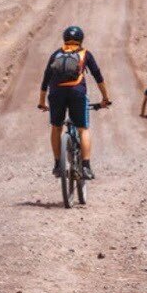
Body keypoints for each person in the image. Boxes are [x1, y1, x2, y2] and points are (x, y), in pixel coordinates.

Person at [37, 25, 111, 179]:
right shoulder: (85, 54)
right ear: (81, 39)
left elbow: (46, 78)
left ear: (64, 38)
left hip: (56, 93)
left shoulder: (56, 54)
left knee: (56, 127)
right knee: (83, 129)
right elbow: (98, 77)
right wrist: (105, 98)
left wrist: (42, 101)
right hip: (77, 93)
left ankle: (58, 165)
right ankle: (85, 167)